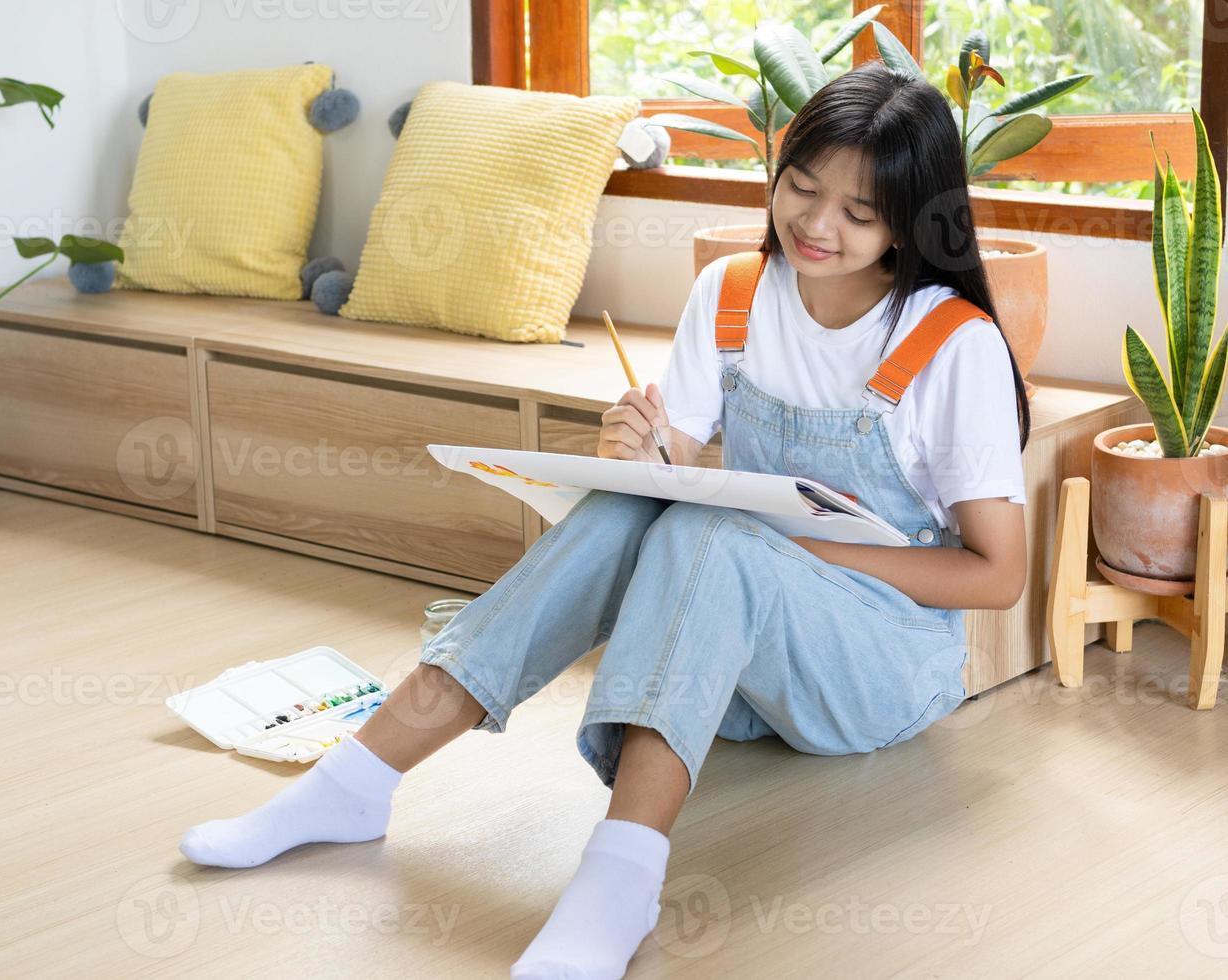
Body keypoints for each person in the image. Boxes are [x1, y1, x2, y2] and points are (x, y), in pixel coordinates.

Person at [176, 59, 1030, 980]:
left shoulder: (954, 346)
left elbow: (996, 574)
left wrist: (798, 546)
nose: (818, 226)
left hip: (878, 668)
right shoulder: (735, 291)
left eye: (860, 214)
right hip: (728, 672)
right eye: (802, 188)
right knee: (637, 507)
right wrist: (638, 451)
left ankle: (617, 884)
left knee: (717, 539)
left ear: (912, 218)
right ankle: (354, 784)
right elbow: (679, 473)